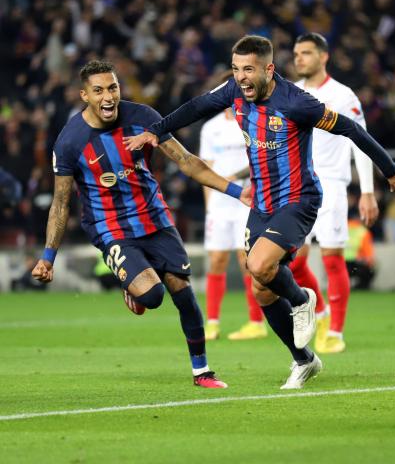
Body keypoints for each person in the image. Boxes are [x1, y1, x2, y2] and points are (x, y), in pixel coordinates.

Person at [124, 35, 395, 389]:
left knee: (258, 265)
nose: (241, 77)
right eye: (236, 69)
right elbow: (197, 106)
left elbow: (351, 128)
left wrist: (390, 169)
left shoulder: (297, 103)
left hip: (299, 200)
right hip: (262, 204)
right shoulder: (233, 92)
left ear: (269, 69)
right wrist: (156, 130)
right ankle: (304, 359)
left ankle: (303, 299)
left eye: (249, 70)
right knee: (261, 289)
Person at [31, 60, 251, 389]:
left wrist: (237, 191)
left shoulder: (144, 118)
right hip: (111, 228)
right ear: (84, 96)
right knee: (152, 295)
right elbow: (61, 202)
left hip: (155, 217)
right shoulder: (69, 142)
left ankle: (202, 372)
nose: (108, 96)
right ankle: (131, 283)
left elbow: (187, 161)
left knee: (184, 292)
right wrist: (48, 257)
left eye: (113, 87)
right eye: (99, 90)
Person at [292, 32, 379, 354]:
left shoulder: (343, 96)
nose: (299, 58)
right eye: (296, 53)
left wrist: (367, 192)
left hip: (331, 185)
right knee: (292, 262)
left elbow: (363, 142)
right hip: (297, 187)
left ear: (323, 56)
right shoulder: (292, 92)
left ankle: (336, 331)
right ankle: (321, 311)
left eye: (306, 53)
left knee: (331, 258)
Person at [199, 70, 269, 342]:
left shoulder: (253, 120)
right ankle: (212, 323)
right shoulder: (211, 127)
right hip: (219, 204)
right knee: (216, 261)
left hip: (247, 201)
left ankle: (255, 322)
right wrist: (209, 206)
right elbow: (206, 170)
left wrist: (235, 179)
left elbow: (259, 162)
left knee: (246, 262)